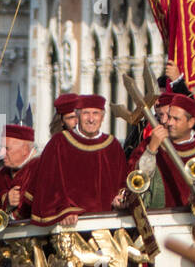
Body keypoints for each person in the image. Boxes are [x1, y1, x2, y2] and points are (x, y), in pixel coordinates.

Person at [27, 94, 130, 226]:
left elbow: (122, 181)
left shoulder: (113, 145)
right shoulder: (59, 143)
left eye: (96, 113)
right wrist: (63, 209)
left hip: (107, 222)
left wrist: (120, 198)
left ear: (103, 117)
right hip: (70, 226)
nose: (91, 119)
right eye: (86, 113)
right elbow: (48, 185)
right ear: (78, 116)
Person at [130, 92, 195, 209]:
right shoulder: (151, 143)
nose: (169, 122)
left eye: (176, 119)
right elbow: (136, 180)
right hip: (159, 218)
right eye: (169, 117)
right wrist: (151, 149)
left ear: (191, 122)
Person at [0, 124, 40, 218]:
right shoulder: (3, 174)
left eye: (7, 148)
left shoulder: (41, 167)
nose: (1, 153)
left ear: (25, 150)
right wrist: (6, 199)